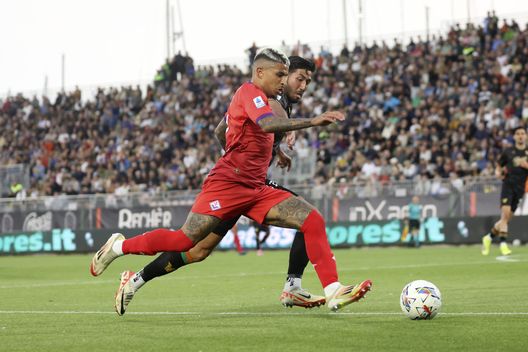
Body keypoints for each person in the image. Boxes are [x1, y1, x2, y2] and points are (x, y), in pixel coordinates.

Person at [90, 47, 372, 314]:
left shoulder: (268, 99)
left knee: (312, 220)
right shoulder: (250, 93)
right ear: (260, 72)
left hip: (255, 187)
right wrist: (311, 122)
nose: (287, 81)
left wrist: (254, 151)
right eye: (283, 75)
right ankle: (119, 246)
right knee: (186, 242)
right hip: (227, 185)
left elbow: (222, 131)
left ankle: (333, 289)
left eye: (290, 76)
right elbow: (266, 124)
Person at [482, 126, 528, 256]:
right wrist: (497, 172)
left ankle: (489, 237)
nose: (520, 136)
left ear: (526, 136)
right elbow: (498, 165)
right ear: (514, 137)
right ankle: (503, 244)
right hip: (508, 186)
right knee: (505, 215)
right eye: (518, 133)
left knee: (506, 219)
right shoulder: (508, 152)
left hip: (519, 190)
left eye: (522, 133)